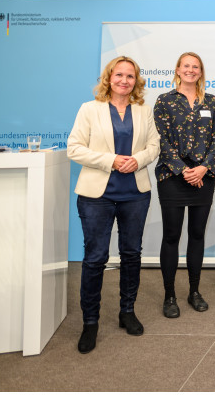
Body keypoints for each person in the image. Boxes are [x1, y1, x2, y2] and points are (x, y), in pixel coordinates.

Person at [67, 56, 160, 353]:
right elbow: (74, 148)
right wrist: (111, 160)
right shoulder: (89, 109)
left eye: (130, 76)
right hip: (97, 195)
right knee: (95, 258)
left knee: (131, 255)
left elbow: (154, 146)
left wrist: (138, 160)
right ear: (109, 78)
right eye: (118, 75)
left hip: (135, 193)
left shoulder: (144, 111)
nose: (124, 80)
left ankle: (127, 312)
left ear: (136, 81)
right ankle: (90, 323)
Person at [153, 52, 215, 318]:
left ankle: (194, 291)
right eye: (186, 66)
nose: (191, 70)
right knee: (171, 236)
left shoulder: (212, 102)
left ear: (201, 72)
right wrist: (183, 170)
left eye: (196, 67)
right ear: (178, 70)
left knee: (197, 235)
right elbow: (160, 140)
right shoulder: (164, 101)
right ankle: (169, 295)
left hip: (203, 178)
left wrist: (204, 168)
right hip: (172, 178)